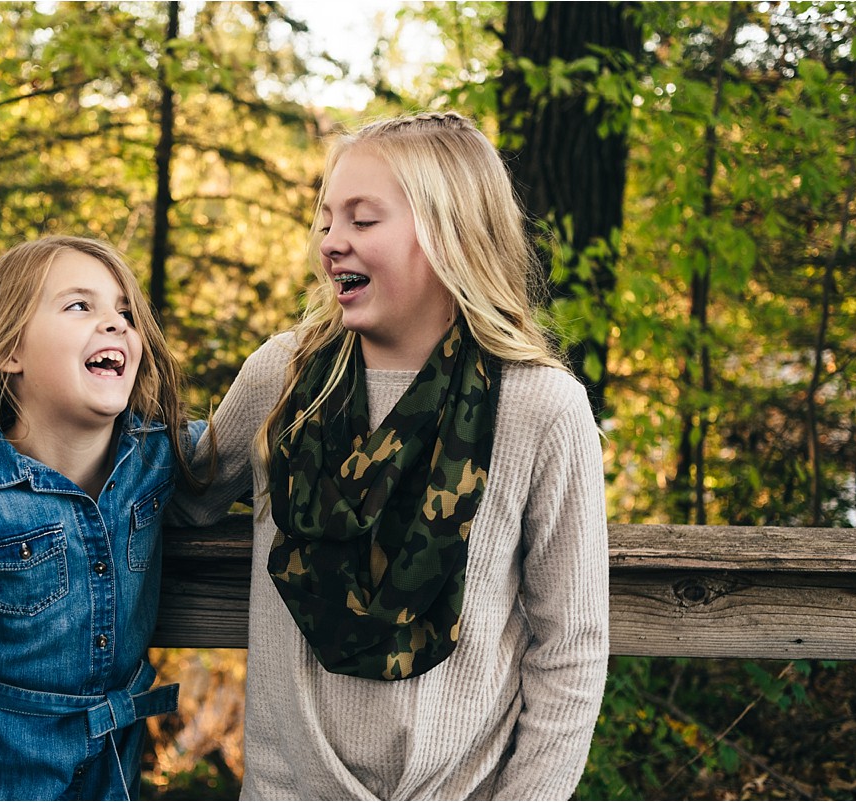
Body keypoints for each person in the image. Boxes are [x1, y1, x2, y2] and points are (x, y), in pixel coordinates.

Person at [170, 112, 609, 800]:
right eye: (325, 222)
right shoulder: (280, 376)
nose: (331, 243)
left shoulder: (540, 408)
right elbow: (178, 494)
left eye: (362, 220)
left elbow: (571, 651)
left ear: (450, 233)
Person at [0, 235, 205, 800]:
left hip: (119, 782)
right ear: (8, 351)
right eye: (80, 305)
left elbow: (258, 439)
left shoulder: (157, 458)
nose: (117, 324)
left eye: (125, 311)